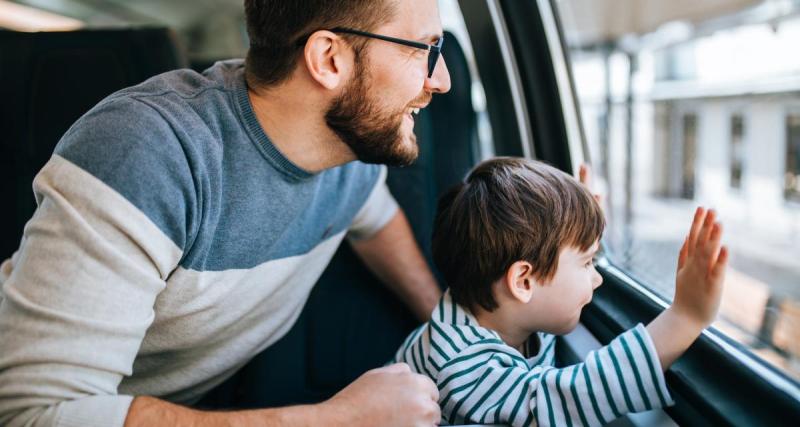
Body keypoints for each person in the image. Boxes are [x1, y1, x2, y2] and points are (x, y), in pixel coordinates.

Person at [0, 0, 452, 426]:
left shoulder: (348, 154)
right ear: (329, 59)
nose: (442, 80)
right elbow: (35, 414)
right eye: (426, 51)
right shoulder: (146, 154)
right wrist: (337, 419)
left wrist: (447, 331)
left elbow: (374, 220)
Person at [393, 157, 729, 426]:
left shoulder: (501, 310)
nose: (597, 279)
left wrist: (575, 236)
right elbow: (571, 397)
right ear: (523, 281)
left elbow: (554, 286)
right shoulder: (466, 368)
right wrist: (685, 317)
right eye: (587, 263)